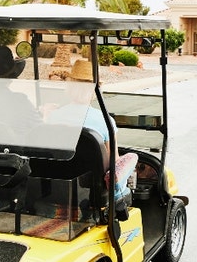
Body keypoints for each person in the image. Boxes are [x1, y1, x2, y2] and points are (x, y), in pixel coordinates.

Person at [45, 58, 135, 201]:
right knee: (131, 157)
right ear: (95, 90)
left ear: (70, 86)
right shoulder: (105, 121)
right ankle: (118, 198)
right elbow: (113, 161)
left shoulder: (53, 116)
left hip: (58, 185)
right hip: (94, 190)